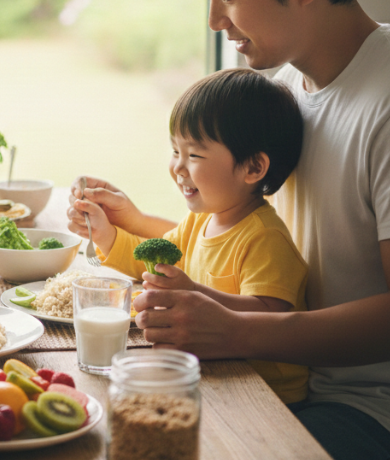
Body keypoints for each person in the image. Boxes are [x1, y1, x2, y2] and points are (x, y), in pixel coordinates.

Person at [68, 0, 390, 460]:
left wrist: (239, 327)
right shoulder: (286, 91)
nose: (216, 22)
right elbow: (249, 238)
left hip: (363, 410)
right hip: (274, 372)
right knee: (105, 430)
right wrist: (137, 225)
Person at [86, 67, 308, 403]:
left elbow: (270, 317)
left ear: (252, 168)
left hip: (267, 395)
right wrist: (106, 235)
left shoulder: (264, 237)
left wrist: (192, 293)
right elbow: (152, 262)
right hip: (216, 375)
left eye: (194, 155)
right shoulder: (199, 223)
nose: (178, 167)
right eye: (176, 151)